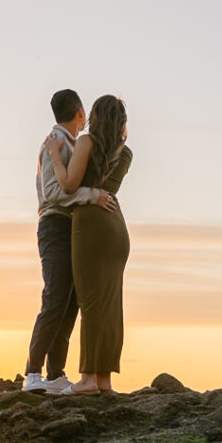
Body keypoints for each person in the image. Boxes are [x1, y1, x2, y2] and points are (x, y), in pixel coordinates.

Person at [23, 90, 116, 394]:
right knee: (54, 299)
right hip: (55, 225)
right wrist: (92, 196)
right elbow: (53, 192)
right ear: (79, 112)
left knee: (70, 303)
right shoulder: (56, 142)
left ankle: (55, 374)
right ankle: (32, 373)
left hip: (72, 227)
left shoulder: (74, 143)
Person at [44, 95, 132, 395]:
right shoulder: (126, 152)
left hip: (91, 226)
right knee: (110, 306)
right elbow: (116, 148)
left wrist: (55, 155)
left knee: (91, 304)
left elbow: (68, 185)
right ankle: (104, 379)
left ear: (94, 115)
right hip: (116, 228)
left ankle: (88, 380)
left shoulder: (86, 143)